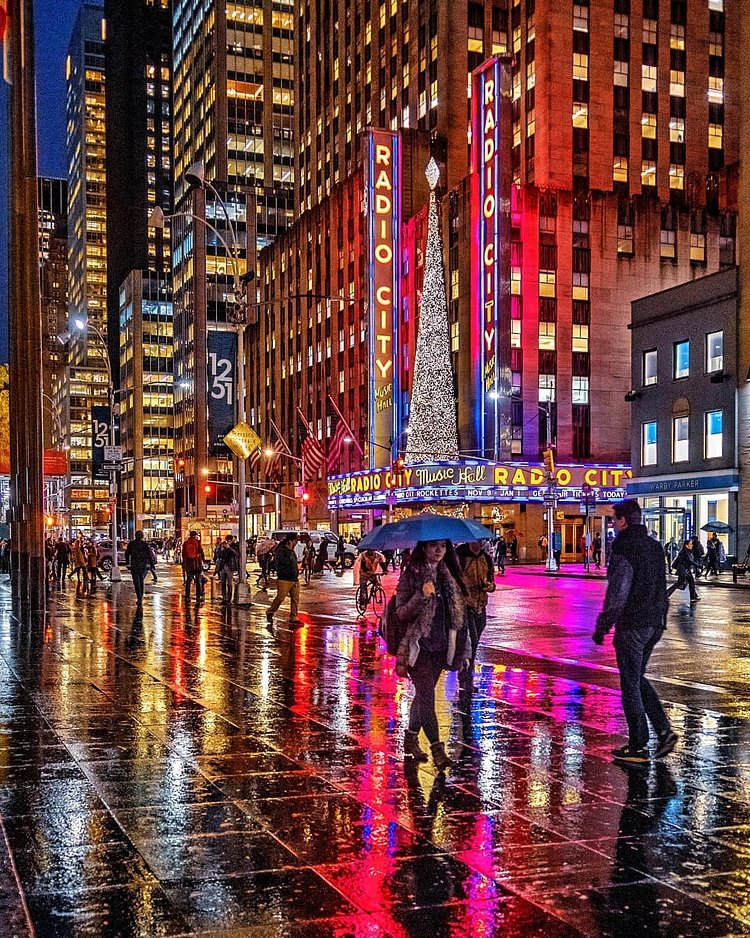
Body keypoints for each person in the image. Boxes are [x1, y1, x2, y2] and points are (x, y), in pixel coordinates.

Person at [593, 499, 677, 763]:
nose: (611, 524)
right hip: (654, 622)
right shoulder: (654, 547)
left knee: (630, 683)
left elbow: (618, 593)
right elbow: (661, 585)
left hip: (633, 624)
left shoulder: (623, 548)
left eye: (614, 519)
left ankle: (639, 744)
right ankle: (663, 731)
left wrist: (602, 626)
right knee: (637, 677)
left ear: (623, 521)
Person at [393, 539, 469, 772]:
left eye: (443, 547)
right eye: (434, 546)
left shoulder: (450, 577)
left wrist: (464, 651)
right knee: (427, 696)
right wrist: (421, 596)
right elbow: (401, 613)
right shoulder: (411, 574)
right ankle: (437, 749)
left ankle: (411, 737)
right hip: (418, 648)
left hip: (441, 648)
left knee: (423, 696)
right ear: (424, 548)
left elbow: (459, 620)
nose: (439, 551)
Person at [457, 541, 495, 686]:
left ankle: (464, 668)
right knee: (471, 641)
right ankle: (466, 677)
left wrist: (490, 586)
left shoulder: (486, 558)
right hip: (465, 606)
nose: (479, 544)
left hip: (481, 606)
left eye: (482, 541)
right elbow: (454, 581)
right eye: (477, 541)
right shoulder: (460, 557)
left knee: (474, 642)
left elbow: (492, 582)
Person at [266, 533, 301, 627]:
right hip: (284, 579)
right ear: (290, 541)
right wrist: (289, 550)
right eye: (295, 541)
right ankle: (270, 611)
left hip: (294, 579)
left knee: (295, 599)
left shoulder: (291, 551)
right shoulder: (281, 551)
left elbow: (294, 564)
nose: (296, 543)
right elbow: (285, 562)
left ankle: (294, 617)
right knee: (280, 597)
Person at [125, 530, 156, 606]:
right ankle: (140, 596)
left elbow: (127, 554)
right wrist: (152, 564)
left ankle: (139, 596)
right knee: (141, 580)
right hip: (142, 565)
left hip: (135, 565)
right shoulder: (144, 544)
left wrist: (127, 563)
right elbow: (149, 555)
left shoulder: (132, 544)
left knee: (136, 582)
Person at [667, 539, 701, 603]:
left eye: (692, 544)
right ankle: (666, 594)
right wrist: (698, 565)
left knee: (691, 583)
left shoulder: (688, 551)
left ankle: (693, 596)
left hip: (686, 570)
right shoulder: (685, 552)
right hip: (683, 570)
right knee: (679, 583)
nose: (692, 545)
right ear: (686, 545)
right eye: (690, 544)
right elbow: (689, 561)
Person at [181, 531, 206, 601]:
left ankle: (187, 595)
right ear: (195, 536)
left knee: (188, 580)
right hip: (197, 564)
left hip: (189, 564)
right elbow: (201, 552)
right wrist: (203, 560)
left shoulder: (186, 543)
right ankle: (198, 595)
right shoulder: (197, 542)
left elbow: (183, 554)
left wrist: (184, 564)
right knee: (198, 580)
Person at [215, 534, 240, 604]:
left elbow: (236, 554)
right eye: (227, 541)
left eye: (229, 541)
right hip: (222, 566)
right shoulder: (222, 546)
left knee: (229, 583)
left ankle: (229, 599)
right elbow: (218, 554)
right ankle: (224, 598)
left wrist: (229, 548)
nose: (228, 542)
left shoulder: (235, 546)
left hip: (230, 566)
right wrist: (221, 548)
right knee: (222, 583)